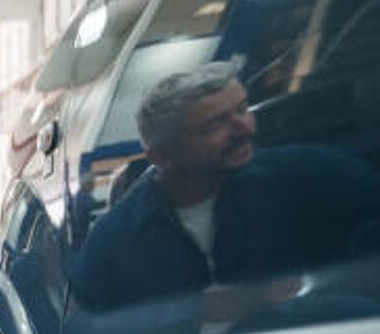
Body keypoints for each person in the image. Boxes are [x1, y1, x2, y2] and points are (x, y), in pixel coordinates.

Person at [71, 59, 380, 311]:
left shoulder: (314, 176)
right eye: (215, 124)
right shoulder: (115, 243)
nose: (244, 127)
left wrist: (322, 292)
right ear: (163, 155)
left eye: (242, 110)